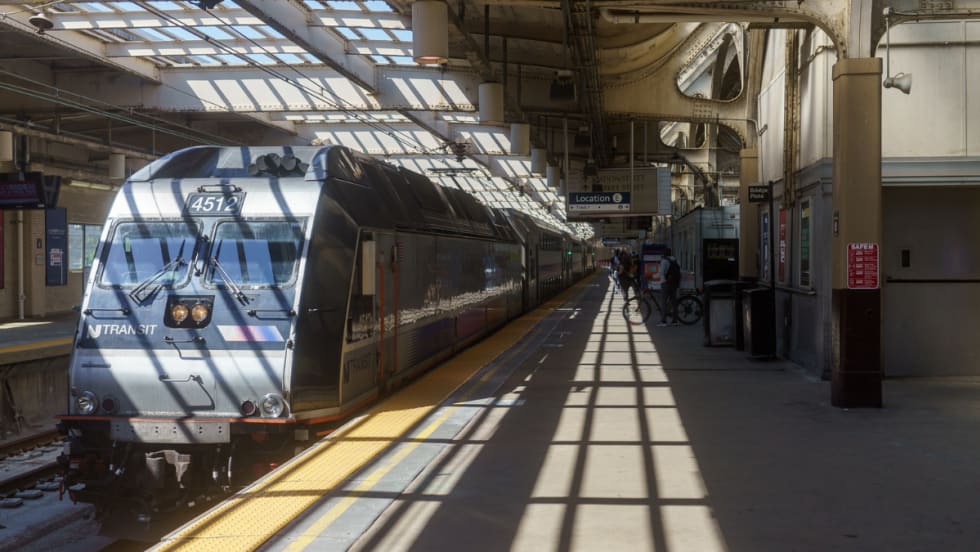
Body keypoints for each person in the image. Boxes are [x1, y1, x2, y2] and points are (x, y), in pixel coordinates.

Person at [657, 248, 682, 326]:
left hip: (665, 283)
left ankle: (663, 321)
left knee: (664, 302)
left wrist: (652, 276)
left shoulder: (664, 261)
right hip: (674, 283)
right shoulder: (676, 260)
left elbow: (661, 273)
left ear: (664, 254)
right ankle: (675, 321)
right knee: (674, 302)